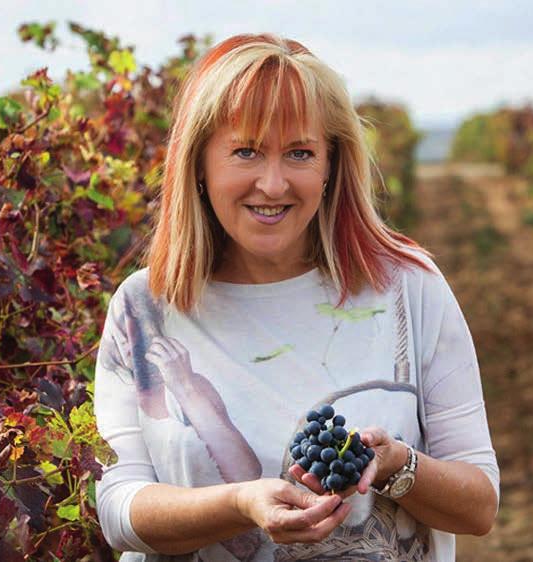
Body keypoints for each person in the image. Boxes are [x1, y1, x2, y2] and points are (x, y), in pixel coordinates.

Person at [93, 33, 499, 562]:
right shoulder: (144, 309)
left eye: (300, 153)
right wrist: (240, 503)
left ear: (331, 165)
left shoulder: (408, 287)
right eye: (245, 151)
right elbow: (119, 510)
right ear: (198, 164)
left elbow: (479, 507)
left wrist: (398, 466)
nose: (273, 182)